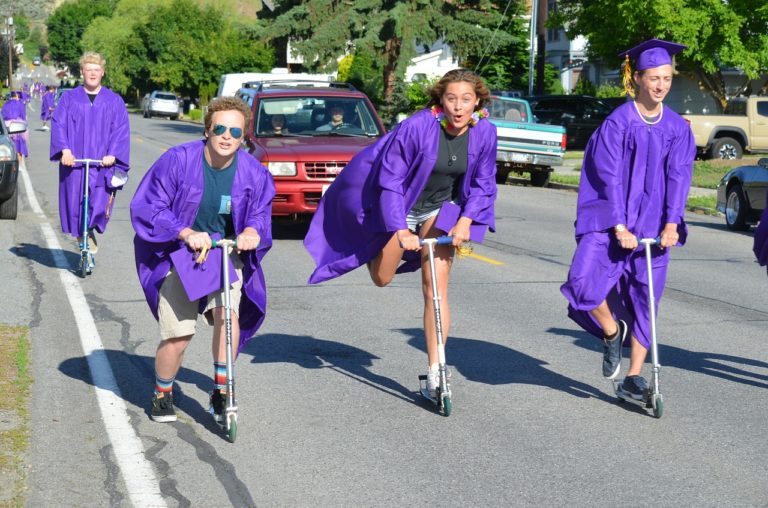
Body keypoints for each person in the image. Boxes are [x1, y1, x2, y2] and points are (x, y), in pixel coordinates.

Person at [304, 69, 497, 397]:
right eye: (452, 98)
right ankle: (370, 245)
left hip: (440, 207)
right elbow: (390, 181)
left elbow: (484, 182)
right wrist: (398, 228)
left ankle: (437, 369)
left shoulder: (486, 132)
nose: (459, 107)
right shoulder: (417, 127)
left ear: (477, 101)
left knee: (435, 286)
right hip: (400, 205)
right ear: (441, 100)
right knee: (382, 277)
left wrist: (466, 220)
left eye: (466, 99)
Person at [560, 39, 696, 400]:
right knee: (582, 284)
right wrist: (618, 225)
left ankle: (635, 376)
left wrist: (672, 223)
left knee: (646, 300)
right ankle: (609, 331)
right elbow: (608, 177)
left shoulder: (677, 128)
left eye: (666, 78)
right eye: (653, 77)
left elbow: (679, 176)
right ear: (636, 78)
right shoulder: (618, 123)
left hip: (654, 228)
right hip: (611, 226)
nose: (661, 85)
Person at [130, 96, 275, 424]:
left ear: (244, 138)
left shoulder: (253, 172)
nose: (227, 136)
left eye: (235, 132)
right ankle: (162, 392)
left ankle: (222, 390)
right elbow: (149, 206)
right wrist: (183, 231)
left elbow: (260, 214)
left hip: (224, 253)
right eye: (220, 128)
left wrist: (252, 230)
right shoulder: (178, 160)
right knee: (178, 336)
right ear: (207, 130)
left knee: (228, 317)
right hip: (179, 255)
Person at [50, 52, 130, 255]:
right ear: (82, 72)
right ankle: (81, 235)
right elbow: (58, 124)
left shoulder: (114, 101)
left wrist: (113, 154)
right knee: (75, 205)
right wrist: (65, 150)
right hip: (74, 163)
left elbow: (121, 130)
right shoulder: (69, 98)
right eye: (88, 69)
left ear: (102, 72)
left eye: (96, 70)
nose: (92, 73)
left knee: (99, 204)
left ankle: (89, 231)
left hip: (103, 163)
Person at [1, 91, 28, 165]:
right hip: (18, 126)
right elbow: (23, 116)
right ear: (16, 96)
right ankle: (20, 164)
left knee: (9, 146)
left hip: (8, 127)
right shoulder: (20, 104)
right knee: (19, 146)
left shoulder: (6, 104)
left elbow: (2, 115)